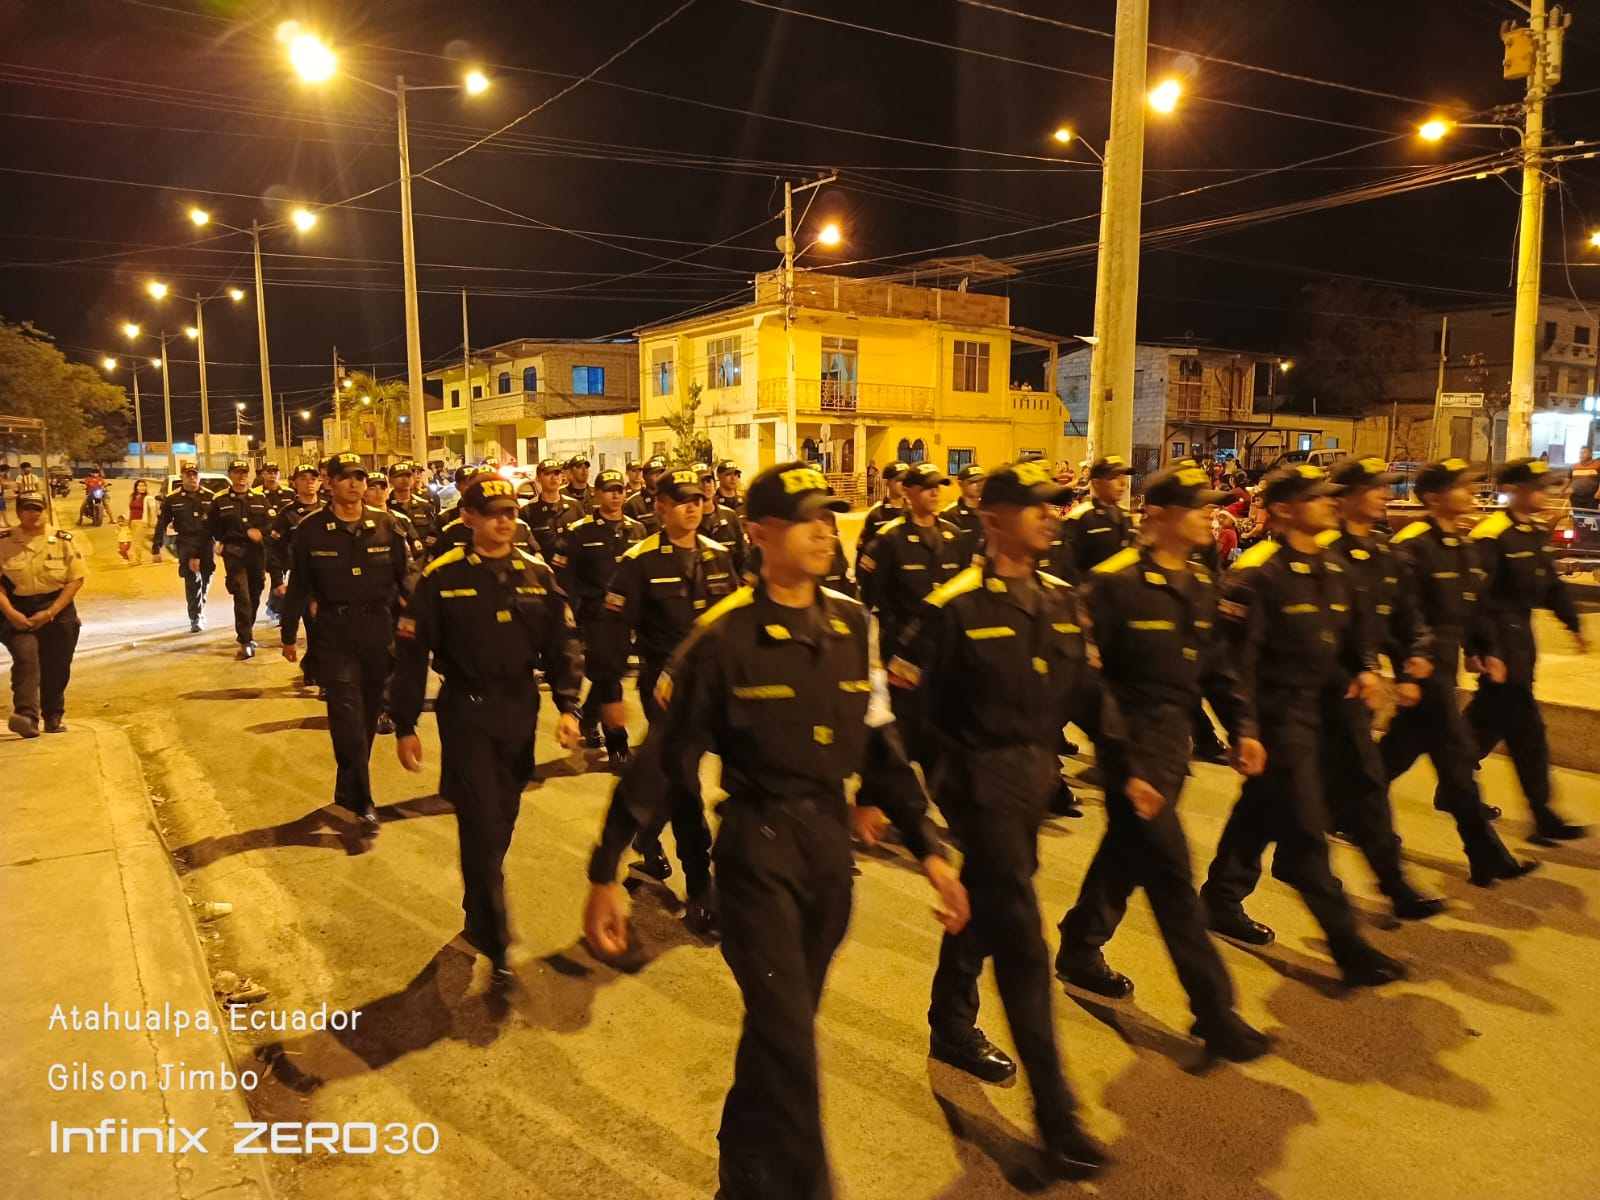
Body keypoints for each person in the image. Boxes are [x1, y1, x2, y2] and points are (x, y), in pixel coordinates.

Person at [582, 462, 969, 1200]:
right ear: (759, 535)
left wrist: (930, 850)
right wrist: (606, 870)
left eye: (828, 517)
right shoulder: (722, 637)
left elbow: (881, 741)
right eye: (805, 520)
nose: (825, 532)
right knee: (790, 1042)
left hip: (828, 854)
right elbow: (665, 758)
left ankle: (743, 1166)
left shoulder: (853, 624)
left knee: (780, 1031)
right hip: (757, 853)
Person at [890, 461, 1114, 1178]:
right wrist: (947, 788)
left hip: (1031, 784)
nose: (1051, 516)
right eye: (1036, 506)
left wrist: (1130, 761)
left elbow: (1087, 693)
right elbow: (909, 710)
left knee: (984, 910)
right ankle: (1058, 1116)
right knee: (1022, 943)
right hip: (980, 790)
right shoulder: (951, 607)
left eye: (1055, 505)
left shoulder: (1059, 598)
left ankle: (950, 1023)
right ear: (993, 520)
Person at [1054, 465, 1270, 1058]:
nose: (1210, 516)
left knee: (1126, 854)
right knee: (1173, 877)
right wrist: (1126, 765)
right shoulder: (1112, 585)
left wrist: (1243, 728)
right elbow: (1087, 686)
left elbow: (1217, 668)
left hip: (1172, 750)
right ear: (1160, 515)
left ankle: (1080, 943)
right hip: (1132, 751)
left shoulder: (1199, 582)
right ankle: (1215, 1012)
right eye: (1198, 507)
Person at [1199, 466, 1407, 987]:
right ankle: (1349, 948)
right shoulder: (1257, 574)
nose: (1329, 504)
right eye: (1317, 498)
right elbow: (1231, 663)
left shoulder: (1331, 566)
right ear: (1285, 510)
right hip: (1276, 723)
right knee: (1307, 835)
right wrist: (1244, 729)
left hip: (1323, 717)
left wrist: (1365, 669)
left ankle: (1221, 896)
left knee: (1259, 813)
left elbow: (1354, 632)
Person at [394, 475, 584, 980]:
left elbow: (563, 646)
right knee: (479, 818)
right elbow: (411, 655)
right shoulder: (441, 577)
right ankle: (495, 932)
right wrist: (405, 722)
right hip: (466, 710)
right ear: (468, 517)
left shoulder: (536, 574)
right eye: (494, 512)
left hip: (519, 709)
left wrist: (569, 707)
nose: (505, 521)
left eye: (511, 513)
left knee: (502, 816)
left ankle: (479, 902)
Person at [1380, 459, 1539, 886]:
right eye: (1460, 487)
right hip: (1424, 671)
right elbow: (1400, 615)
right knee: (1456, 765)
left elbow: (1472, 607)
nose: (1470, 493)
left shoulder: (1462, 546)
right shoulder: (1413, 547)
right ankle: (1487, 857)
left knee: (1393, 756)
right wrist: (1408, 673)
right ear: (1434, 498)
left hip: (1445, 669)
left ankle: (1338, 807)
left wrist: (1484, 650)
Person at [589, 468, 737, 895]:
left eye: (698, 500)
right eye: (682, 501)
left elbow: (735, 622)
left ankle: (647, 833)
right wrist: (609, 695)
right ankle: (699, 882)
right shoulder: (639, 561)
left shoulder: (718, 556)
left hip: (718, 687)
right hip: (666, 688)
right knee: (686, 783)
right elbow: (613, 633)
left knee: (685, 776)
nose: (692, 508)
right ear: (660, 506)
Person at [1314, 458, 1447, 918]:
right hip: (1323, 694)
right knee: (1365, 785)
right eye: (1376, 488)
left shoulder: (1382, 552)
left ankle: (1228, 890)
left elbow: (1404, 617)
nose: (1387, 495)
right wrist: (1365, 669)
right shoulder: (1321, 552)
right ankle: (1395, 886)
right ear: (1346, 496)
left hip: (1357, 690)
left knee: (1285, 801)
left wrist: (1414, 660)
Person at [279, 453, 412, 833]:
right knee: (347, 719)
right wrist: (288, 636)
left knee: (366, 719)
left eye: (360, 477)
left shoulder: (386, 525)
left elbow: (405, 579)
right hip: (334, 634)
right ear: (329, 482)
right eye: (345, 477)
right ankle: (363, 799)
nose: (354, 484)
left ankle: (347, 786)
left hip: (377, 633)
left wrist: (423, 620)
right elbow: (299, 586)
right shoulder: (310, 530)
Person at [1461, 458, 1591, 842]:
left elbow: (1551, 586)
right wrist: (1482, 649)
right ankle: (1541, 814)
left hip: (1520, 642)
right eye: (1537, 487)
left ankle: (1456, 781)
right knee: (1526, 732)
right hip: (1500, 644)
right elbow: (1474, 599)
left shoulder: (1534, 532)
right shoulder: (1492, 534)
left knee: (1486, 726)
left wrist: (1573, 624)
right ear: (1515, 490)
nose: (1545, 493)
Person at [858, 462, 965, 728]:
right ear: (908, 491)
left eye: (938, 486)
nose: (935, 492)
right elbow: (870, 594)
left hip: (946, 648)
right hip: (904, 650)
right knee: (908, 723)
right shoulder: (889, 539)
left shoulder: (953, 536)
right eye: (927, 487)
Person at [551, 468, 645, 763]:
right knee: (609, 675)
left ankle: (587, 717)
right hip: (594, 614)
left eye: (620, 490)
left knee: (609, 673)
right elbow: (563, 575)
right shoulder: (580, 531)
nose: (616, 495)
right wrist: (566, 607)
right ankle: (618, 743)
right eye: (609, 490)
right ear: (597, 494)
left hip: (628, 614)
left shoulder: (636, 530)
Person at [0, 489, 85, 737]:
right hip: (18, 610)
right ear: (18, 512)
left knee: (57, 664)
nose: (33, 514)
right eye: (28, 508)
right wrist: (10, 613)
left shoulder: (62, 540)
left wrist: (50, 612)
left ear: (45, 512)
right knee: (26, 657)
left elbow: (76, 579)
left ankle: (53, 715)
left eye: (38, 509)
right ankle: (26, 716)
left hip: (57, 609)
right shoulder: (4, 541)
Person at [267, 464, 326, 692]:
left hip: (330, 577)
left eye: (313, 478)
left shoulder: (329, 509)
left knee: (327, 627)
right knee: (313, 626)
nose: (310, 482)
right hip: (304, 578)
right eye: (304, 478)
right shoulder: (287, 514)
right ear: (294, 483)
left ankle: (317, 668)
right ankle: (317, 670)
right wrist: (278, 580)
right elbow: (275, 550)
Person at [208, 458, 271, 659]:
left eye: (245, 472)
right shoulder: (220, 500)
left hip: (256, 553)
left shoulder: (260, 498)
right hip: (234, 552)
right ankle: (245, 639)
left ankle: (247, 630)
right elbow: (211, 526)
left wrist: (261, 532)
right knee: (242, 596)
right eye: (237, 472)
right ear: (230, 475)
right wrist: (219, 541)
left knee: (255, 594)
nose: (242, 476)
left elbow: (272, 522)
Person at [152, 463, 216, 632]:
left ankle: (200, 606)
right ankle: (195, 616)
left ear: (199, 477)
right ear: (182, 477)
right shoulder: (173, 499)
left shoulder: (210, 497)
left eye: (195, 475)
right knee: (192, 578)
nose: (192, 478)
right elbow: (162, 523)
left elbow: (220, 521)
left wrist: (223, 541)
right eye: (188, 475)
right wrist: (157, 546)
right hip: (186, 542)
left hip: (207, 542)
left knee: (206, 577)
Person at [521, 457, 583, 562]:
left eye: (557, 473)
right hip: (544, 568)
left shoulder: (575, 506)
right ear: (538, 479)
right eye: (548, 473)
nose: (554, 477)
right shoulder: (528, 511)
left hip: (572, 568)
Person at [856, 460, 909, 569]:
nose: (904, 484)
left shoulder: (914, 513)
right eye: (899, 480)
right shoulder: (876, 515)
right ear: (888, 482)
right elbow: (864, 552)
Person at [696, 462, 748, 572]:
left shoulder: (729, 516)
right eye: (700, 481)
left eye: (709, 481)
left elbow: (742, 555)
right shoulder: (687, 519)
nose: (706, 485)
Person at [387, 460, 438, 555]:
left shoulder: (424, 505)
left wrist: (427, 556)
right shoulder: (386, 506)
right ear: (390, 479)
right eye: (399, 476)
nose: (405, 480)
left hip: (421, 558)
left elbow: (433, 534)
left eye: (408, 476)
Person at [940, 463, 987, 561]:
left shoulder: (989, 511)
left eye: (982, 481)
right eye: (973, 482)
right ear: (961, 484)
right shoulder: (950, 514)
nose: (979, 485)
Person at [624, 455, 668, 535]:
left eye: (661, 473)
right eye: (654, 474)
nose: (659, 477)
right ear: (645, 477)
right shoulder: (634, 503)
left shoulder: (672, 499)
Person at [123, 478, 157, 566]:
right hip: (132, 522)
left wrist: (153, 521)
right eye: (139, 486)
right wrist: (127, 521)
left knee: (137, 541)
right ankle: (155, 553)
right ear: (136, 487)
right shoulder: (132, 497)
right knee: (136, 541)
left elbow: (152, 510)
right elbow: (129, 509)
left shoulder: (148, 498)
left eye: (143, 486)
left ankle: (137, 560)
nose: (142, 488)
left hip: (142, 522)